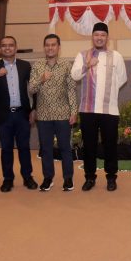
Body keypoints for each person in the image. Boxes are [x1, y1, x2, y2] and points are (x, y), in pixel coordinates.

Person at [71, 22, 127, 192]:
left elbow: (122, 78)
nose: (99, 38)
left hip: (109, 110)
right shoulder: (82, 55)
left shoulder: (116, 56)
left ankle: (111, 177)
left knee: (110, 146)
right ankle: (89, 177)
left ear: (107, 38)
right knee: (89, 146)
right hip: (88, 110)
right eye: (96, 35)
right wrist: (87, 65)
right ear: (92, 37)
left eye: (103, 35)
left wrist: (108, 92)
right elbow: (74, 75)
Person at [0, 36, 38, 193]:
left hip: (22, 114)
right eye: (4, 45)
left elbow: (34, 88)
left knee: (24, 147)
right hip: (3, 115)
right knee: (6, 149)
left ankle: (27, 177)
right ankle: (8, 179)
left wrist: (34, 108)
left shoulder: (25, 66)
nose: (7, 48)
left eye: (11, 45)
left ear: (16, 47)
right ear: (0, 49)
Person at [29, 34, 78, 192]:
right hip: (43, 115)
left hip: (63, 114)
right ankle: (48, 178)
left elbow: (71, 90)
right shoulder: (37, 66)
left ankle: (68, 178)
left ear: (58, 47)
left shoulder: (66, 65)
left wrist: (74, 111)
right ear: (44, 47)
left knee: (65, 148)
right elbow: (31, 89)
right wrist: (41, 79)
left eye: (53, 45)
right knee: (46, 149)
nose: (50, 48)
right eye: (47, 45)